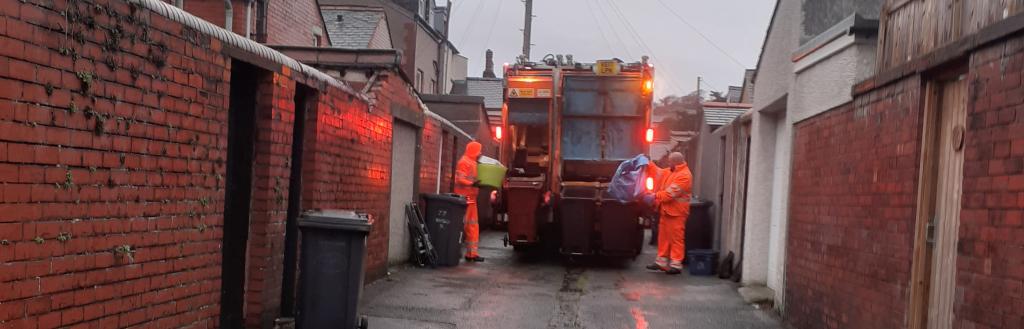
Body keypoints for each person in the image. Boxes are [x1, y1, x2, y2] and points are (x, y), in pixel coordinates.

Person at [642, 152, 692, 275]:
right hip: (667, 211)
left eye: (669, 162)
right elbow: (658, 172)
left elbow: (669, 194)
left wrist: (654, 196)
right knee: (663, 237)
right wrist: (649, 163)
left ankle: (676, 265)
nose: (668, 163)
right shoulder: (672, 171)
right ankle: (661, 262)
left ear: (675, 162)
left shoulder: (684, 176)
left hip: (677, 213)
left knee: (676, 239)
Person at [455, 141, 485, 262]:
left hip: (471, 198)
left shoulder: (472, 162)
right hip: (464, 198)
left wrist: (476, 185)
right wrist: (473, 183)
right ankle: (460, 252)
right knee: (464, 225)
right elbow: (460, 179)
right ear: (473, 150)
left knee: (473, 225)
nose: (480, 153)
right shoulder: (464, 162)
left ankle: (472, 254)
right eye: (479, 150)